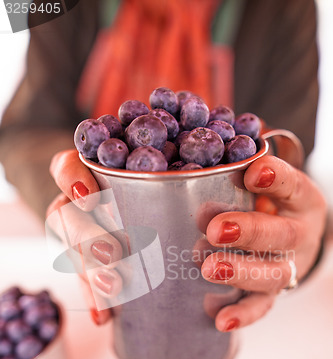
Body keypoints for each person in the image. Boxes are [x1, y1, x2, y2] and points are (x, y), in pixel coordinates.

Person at [0, 0, 327, 330]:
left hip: (221, 285)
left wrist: (300, 241)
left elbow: (290, 163)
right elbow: (24, 132)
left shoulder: (288, 7)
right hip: (120, 271)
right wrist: (70, 204)